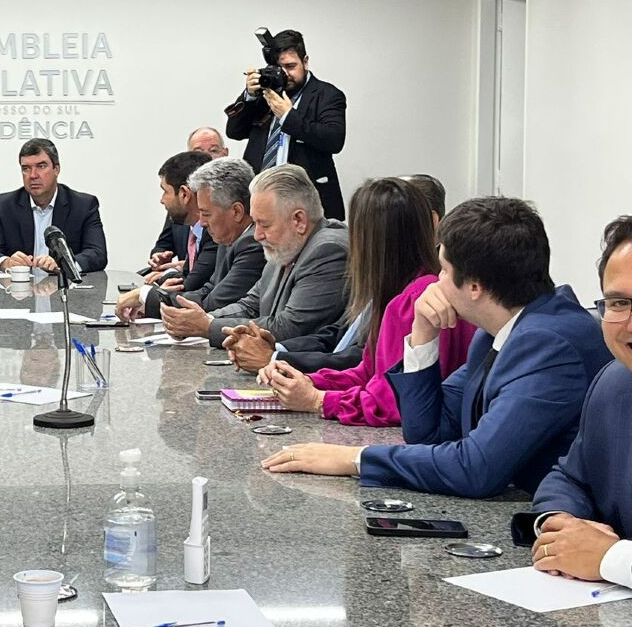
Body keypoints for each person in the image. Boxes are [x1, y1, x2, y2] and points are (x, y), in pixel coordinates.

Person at [262, 197, 612, 499]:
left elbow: (477, 469)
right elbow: (428, 433)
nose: (436, 282)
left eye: (444, 269)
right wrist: (422, 334)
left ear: (474, 286)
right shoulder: (497, 332)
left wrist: (354, 458)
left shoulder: (550, 344)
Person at [252, 178, 476, 426]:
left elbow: (393, 402)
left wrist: (318, 399)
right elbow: (369, 373)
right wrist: (310, 381)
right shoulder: (407, 289)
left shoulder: (414, 300)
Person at [229, 172, 451, 373]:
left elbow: (365, 361)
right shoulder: (388, 278)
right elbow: (337, 334)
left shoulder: (418, 291)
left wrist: (276, 359)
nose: (353, 242)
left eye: (363, 232)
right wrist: (276, 348)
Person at [511, 217, 632, 582]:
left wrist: (611, 558)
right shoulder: (613, 384)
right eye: (619, 302)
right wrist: (560, 522)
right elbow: (570, 479)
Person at [156, 164, 348, 346]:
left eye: (264, 224)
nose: (257, 235)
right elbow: (250, 305)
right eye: (255, 224)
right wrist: (201, 320)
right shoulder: (286, 244)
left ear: (299, 219)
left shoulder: (328, 250)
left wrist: (207, 327)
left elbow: (289, 327)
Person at [117, 156, 264, 322]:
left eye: (206, 214)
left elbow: (212, 303)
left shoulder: (252, 243)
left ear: (236, 211)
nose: (201, 222)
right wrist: (152, 299)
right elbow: (208, 289)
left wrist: (147, 297)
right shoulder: (228, 237)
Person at [225, 29, 347, 219]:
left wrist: (288, 116)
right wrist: (248, 96)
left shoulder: (327, 95)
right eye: (279, 68)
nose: (285, 74)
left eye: (291, 66)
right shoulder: (266, 91)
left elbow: (334, 139)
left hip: (306, 202)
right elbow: (234, 131)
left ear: (305, 62)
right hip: (260, 198)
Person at [0, 138, 108, 274]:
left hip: (67, 291)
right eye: (26, 169)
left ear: (56, 169)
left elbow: (97, 253)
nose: (33, 175)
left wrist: (66, 263)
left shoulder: (83, 205)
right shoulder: (5, 205)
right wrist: (6, 263)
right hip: (19, 292)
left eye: (41, 166)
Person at [148, 128, 229, 270]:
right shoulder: (179, 207)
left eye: (213, 150)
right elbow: (163, 244)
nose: (207, 158)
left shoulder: (223, 213)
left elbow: (201, 281)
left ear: (225, 154)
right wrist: (160, 256)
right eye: (199, 152)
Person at [141, 151, 216, 292]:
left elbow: (189, 287)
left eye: (165, 191)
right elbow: (186, 276)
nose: (162, 200)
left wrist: (143, 295)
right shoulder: (194, 231)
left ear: (184, 194)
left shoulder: (214, 234)